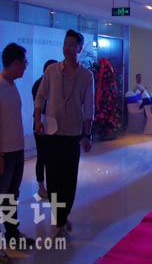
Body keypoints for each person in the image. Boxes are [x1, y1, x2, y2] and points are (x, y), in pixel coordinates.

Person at [34, 29, 95, 238]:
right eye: (65, 44)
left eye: (72, 44)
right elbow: (40, 96)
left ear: (79, 48)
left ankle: (62, 215)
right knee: (53, 178)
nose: (67, 48)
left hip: (73, 134)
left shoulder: (86, 76)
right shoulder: (52, 70)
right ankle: (59, 218)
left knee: (69, 179)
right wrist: (37, 120)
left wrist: (87, 134)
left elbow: (89, 106)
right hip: (51, 132)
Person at [0, 43, 35, 264]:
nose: (25, 66)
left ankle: (13, 234)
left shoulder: (11, 85)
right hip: (2, 153)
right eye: (24, 62)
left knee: (11, 197)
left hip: (16, 151)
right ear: (15, 63)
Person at [31, 59, 57, 199]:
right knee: (42, 156)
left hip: (49, 124)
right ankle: (42, 188)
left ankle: (49, 186)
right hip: (41, 124)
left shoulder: (49, 83)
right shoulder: (40, 85)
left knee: (49, 156)